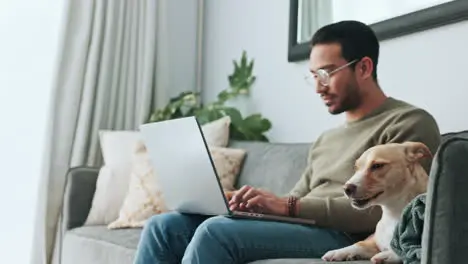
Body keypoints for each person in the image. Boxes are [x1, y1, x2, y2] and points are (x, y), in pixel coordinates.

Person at [133, 20, 441, 264]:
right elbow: (295, 197)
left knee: (216, 233)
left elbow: (401, 210)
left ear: (363, 67)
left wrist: (287, 206)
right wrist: (255, 204)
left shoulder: (409, 123)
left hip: (345, 234)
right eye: (313, 76)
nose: (319, 86)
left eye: (326, 73)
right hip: (306, 226)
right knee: (163, 227)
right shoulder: (326, 139)